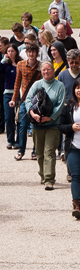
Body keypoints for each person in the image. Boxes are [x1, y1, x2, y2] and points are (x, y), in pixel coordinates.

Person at [27, 61, 66, 190]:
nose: (46, 72)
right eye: (43, 70)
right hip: (37, 124)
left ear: (53, 70)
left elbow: (60, 104)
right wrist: (32, 113)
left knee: (49, 152)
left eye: (48, 69)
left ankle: (49, 179)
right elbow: (28, 99)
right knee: (39, 153)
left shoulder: (59, 85)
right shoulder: (37, 84)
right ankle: (43, 174)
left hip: (52, 124)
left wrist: (50, 117)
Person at [11, 39, 42, 161]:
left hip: (37, 101)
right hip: (25, 100)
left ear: (36, 53)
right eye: (29, 52)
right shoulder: (21, 65)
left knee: (35, 126)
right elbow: (17, 82)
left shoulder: (40, 66)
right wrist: (14, 99)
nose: (31, 54)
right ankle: (21, 150)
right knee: (22, 126)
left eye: (33, 52)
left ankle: (35, 151)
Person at [58, 79, 80, 218]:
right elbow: (60, 126)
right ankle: (76, 204)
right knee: (76, 176)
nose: (79, 91)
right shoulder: (69, 106)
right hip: (73, 147)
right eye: (77, 88)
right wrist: (71, 127)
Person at [0, 45, 20, 149]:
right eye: (8, 51)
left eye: (12, 51)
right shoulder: (6, 64)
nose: (10, 53)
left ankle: (19, 141)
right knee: (8, 117)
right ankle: (10, 140)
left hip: (19, 93)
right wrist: (3, 60)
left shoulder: (20, 64)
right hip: (8, 93)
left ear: (16, 52)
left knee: (19, 118)